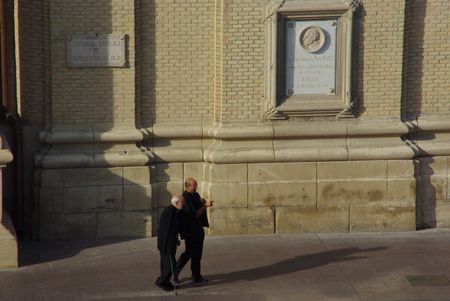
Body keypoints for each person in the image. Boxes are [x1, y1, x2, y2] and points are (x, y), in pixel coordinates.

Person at [174, 178, 213, 283]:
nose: (196, 187)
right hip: (190, 231)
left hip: (198, 229)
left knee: (197, 254)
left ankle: (196, 275)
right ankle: (174, 273)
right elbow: (194, 215)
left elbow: (198, 206)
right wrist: (204, 206)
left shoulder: (195, 195)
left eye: (196, 185)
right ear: (188, 187)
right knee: (189, 253)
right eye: (194, 185)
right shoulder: (185, 198)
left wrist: (202, 203)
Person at [155, 195, 185, 292]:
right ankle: (160, 282)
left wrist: (176, 239)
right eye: (182, 202)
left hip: (170, 243)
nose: (183, 204)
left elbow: (173, 229)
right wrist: (166, 246)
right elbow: (166, 230)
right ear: (177, 203)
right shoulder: (169, 212)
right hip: (166, 244)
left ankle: (166, 283)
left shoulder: (174, 211)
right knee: (170, 264)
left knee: (166, 264)